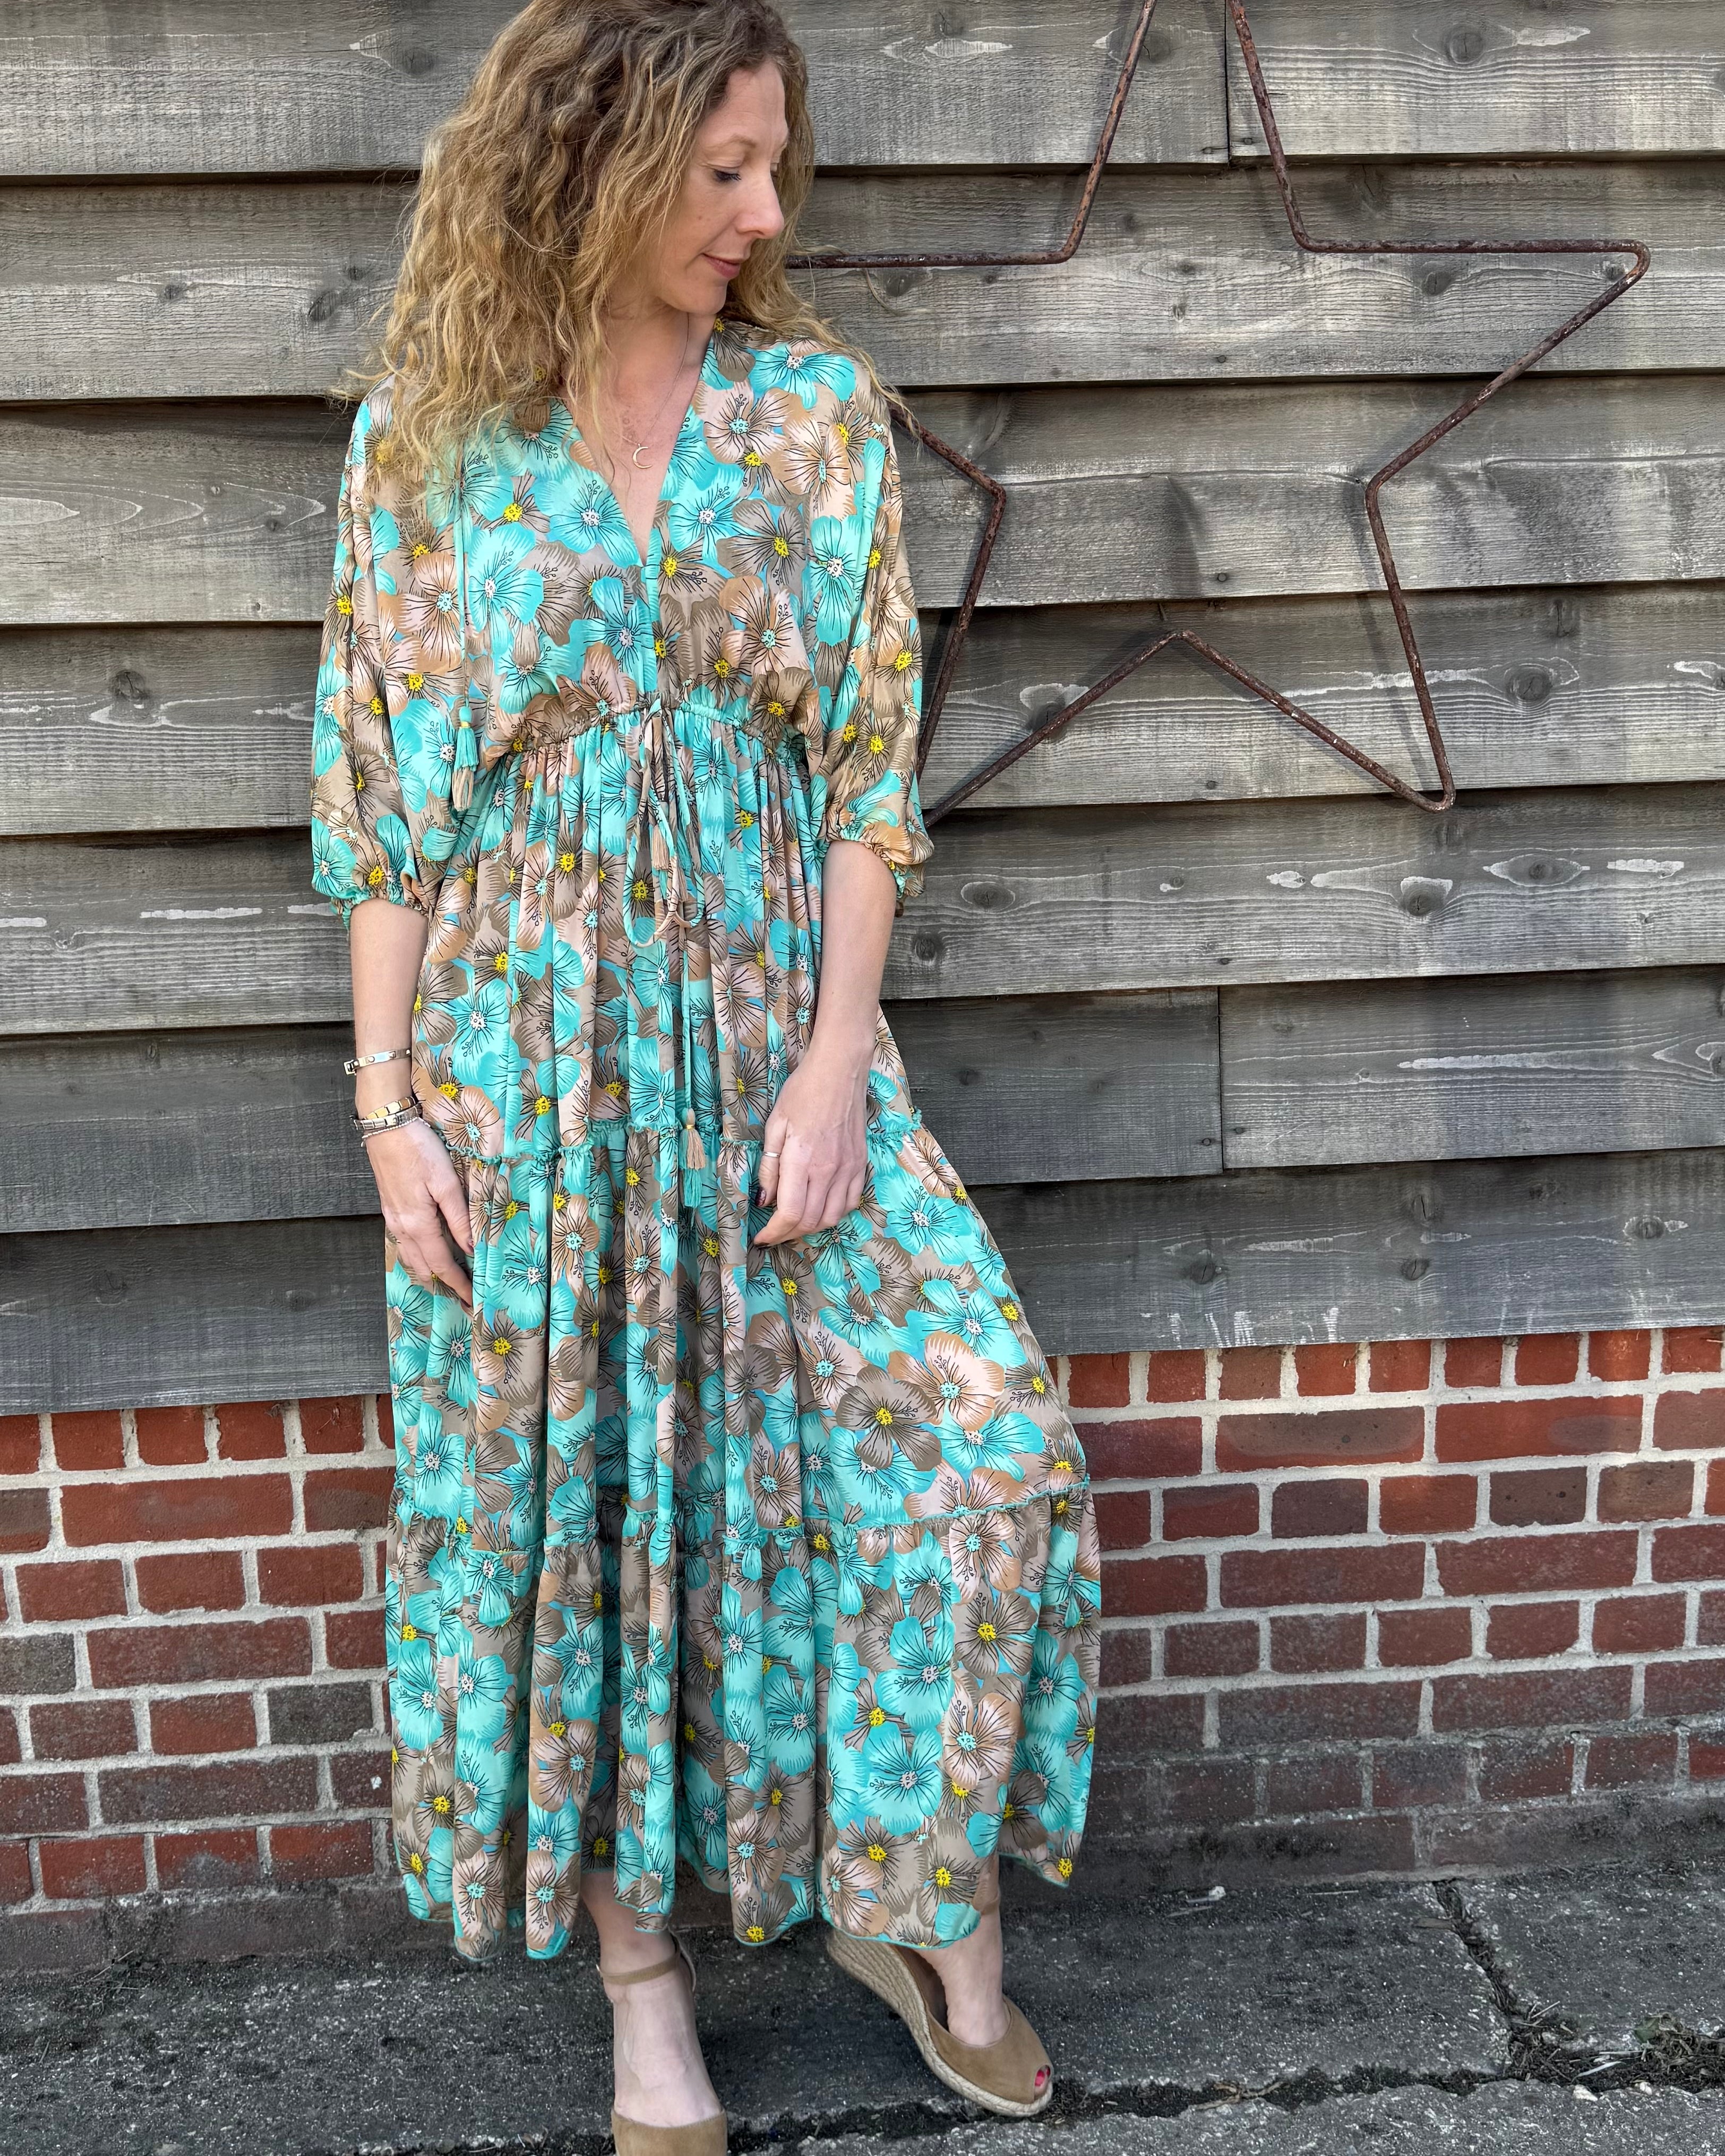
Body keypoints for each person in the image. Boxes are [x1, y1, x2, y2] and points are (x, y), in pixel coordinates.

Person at [308, 3, 1100, 2148]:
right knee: (571, 1530)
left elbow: (865, 773)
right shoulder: (431, 445)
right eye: (722, 167)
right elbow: (383, 809)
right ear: (591, 159)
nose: (762, 213)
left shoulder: (814, 420)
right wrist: (387, 1109)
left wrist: (838, 1065)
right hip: (526, 1070)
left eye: (773, 168)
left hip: (772, 1043)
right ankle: (643, 1992)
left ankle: (923, 1917)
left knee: (976, 1444)